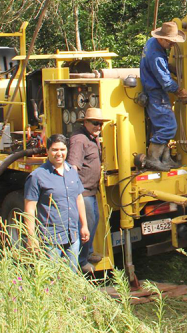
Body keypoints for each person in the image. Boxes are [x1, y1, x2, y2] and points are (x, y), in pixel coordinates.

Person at [24, 134, 89, 271]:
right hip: (50, 240)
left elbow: (78, 198)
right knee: (52, 280)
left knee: (71, 277)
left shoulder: (72, 171)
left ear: (67, 150)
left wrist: (84, 225)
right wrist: (31, 237)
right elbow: (29, 209)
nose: (59, 153)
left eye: (62, 149)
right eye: (54, 150)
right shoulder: (37, 176)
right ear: (47, 151)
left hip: (73, 237)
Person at [139, 21, 187, 171]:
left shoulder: (152, 43)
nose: (172, 46)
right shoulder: (156, 54)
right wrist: (181, 92)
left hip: (153, 90)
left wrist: (171, 68)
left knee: (159, 126)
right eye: (170, 42)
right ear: (162, 39)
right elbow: (165, 81)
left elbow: (161, 68)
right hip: (155, 92)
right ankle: (153, 158)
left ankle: (165, 158)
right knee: (168, 126)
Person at [68, 107, 104, 274]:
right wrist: (75, 193)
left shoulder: (92, 137)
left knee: (93, 221)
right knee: (85, 226)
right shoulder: (79, 140)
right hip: (83, 193)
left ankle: (87, 253)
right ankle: (80, 262)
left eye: (101, 124)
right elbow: (73, 166)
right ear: (86, 122)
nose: (99, 127)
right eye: (96, 123)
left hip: (91, 191)